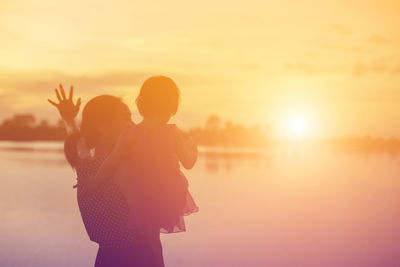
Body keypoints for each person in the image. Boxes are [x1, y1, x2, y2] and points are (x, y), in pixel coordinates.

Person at [48, 85, 164, 267]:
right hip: (136, 257)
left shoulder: (85, 161)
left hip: (107, 257)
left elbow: (75, 136)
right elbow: (145, 222)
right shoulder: (120, 165)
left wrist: (69, 118)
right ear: (103, 128)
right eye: (126, 118)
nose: (132, 125)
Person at [95, 76, 198, 235]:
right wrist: (193, 150)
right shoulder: (172, 132)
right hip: (171, 195)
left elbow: (112, 160)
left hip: (143, 195)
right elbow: (188, 163)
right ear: (172, 106)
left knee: (146, 228)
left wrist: (93, 182)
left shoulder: (131, 132)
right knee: (153, 233)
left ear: (142, 102)